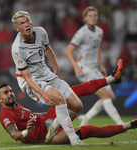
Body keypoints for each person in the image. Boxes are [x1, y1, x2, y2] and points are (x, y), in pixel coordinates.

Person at [11, 10, 86, 146]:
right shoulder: (17, 48)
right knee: (58, 98)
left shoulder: (41, 32)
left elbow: (48, 49)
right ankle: (73, 138)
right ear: (17, 28)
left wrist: (55, 68)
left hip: (45, 72)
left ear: (32, 21)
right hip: (30, 79)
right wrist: (43, 94)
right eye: (22, 23)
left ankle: (53, 126)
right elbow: (27, 77)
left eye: (27, 21)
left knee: (77, 106)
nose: (26, 24)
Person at [0, 79, 137, 145]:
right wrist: (26, 132)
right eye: (6, 93)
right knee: (88, 130)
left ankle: (111, 78)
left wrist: (49, 111)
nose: (10, 94)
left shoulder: (16, 106)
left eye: (10, 91)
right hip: (48, 136)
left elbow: (33, 116)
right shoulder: (5, 115)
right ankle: (130, 125)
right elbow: (14, 135)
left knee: (72, 92)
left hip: (48, 120)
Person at [65, 6, 125, 127]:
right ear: (85, 18)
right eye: (90, 16)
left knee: (111, 97)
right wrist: (76, 67)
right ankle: (120, 124)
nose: (93, 18)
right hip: (85, 69)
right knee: (105, 95)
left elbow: (96, 48)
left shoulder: (99, 31)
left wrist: (101, 65)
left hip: (95, 68)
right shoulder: (81, 32)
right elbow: (68, 51)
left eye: (95, 16)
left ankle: (86, 117)